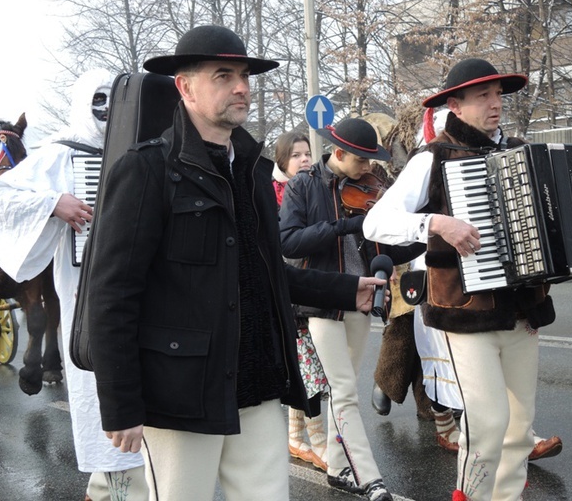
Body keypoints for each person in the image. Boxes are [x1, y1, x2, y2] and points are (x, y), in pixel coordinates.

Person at [83, 25, 387, 501]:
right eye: (223, 75)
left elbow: (264, 274)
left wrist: (348, 290)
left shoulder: (252, 170)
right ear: (185, 87)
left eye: (244, 75)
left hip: (259, 384)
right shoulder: (146, 170)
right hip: (181, 396)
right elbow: (112, 295)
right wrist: (120, 403)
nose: (241, 86)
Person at [363, 58, 572, 501]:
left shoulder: (523, 150)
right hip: (465, 314)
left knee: (518, 425)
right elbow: (375, 224)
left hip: (523, 311)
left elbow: (564, 236)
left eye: (498, 95)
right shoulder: (433, 158)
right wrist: (438, 223)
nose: (496, 104)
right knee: (487, 422)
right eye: (484, 96)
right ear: (455, 105)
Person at [0, 69, 149, 501]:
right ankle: (112, 487)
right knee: (102, 384)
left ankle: (123, 485)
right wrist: (52, 203)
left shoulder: (146, 148)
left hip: (147, 288)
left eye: (115, 101)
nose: (107, 111)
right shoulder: (59, 155)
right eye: (98, 101)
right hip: (88, 288)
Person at [279, 117, 424, 501]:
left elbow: (391, 249)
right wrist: (344, 225)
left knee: (344, 390)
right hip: (321, 301)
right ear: (339, 154)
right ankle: (368, 476)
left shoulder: (372, 188)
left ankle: (340, 469)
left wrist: (425, 235)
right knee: (343, 391)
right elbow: (289, 242)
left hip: (361, 300)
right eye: (362, 160)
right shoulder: (303, 184)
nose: (369, 168)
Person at [272, 131, 327, 471]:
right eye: (296, 155)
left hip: (311, 287)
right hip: (286, 294)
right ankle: (317, 440)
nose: (305, 160)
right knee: (308, 370)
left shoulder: (313, 190)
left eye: (307, 153)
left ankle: (295, 437)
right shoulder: (272, 194)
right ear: (282, 162)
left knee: (306, 370)